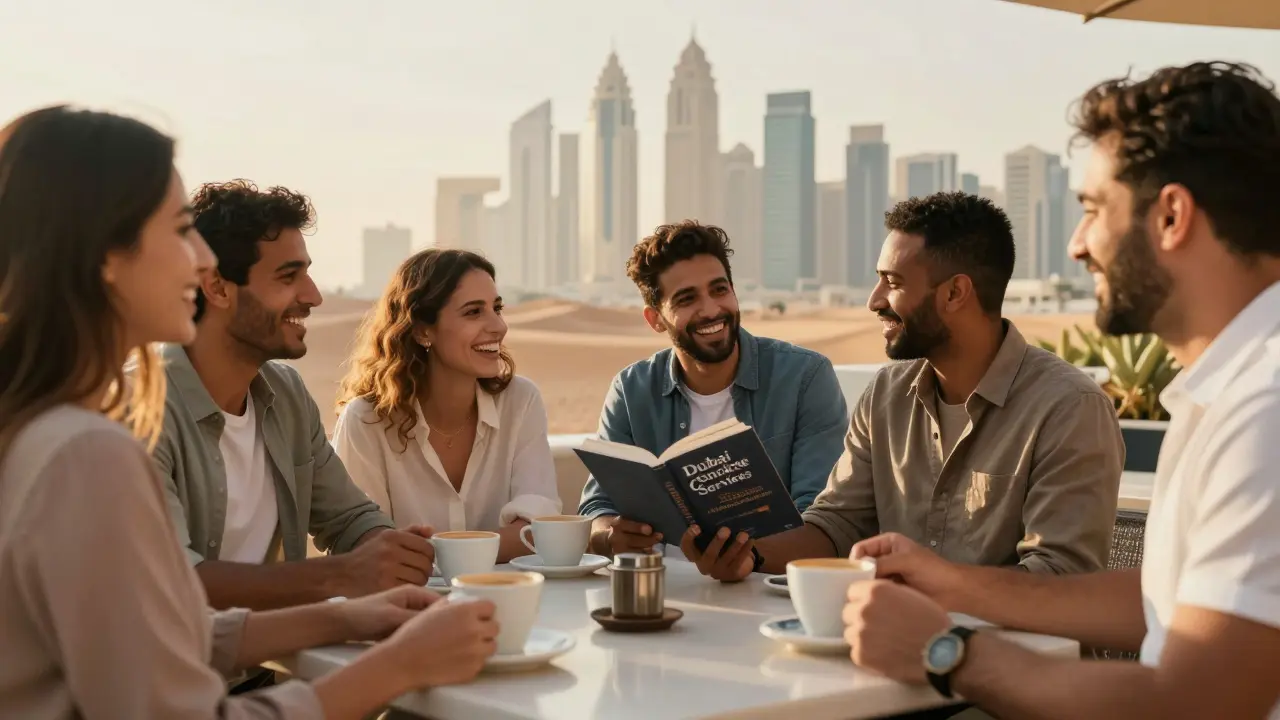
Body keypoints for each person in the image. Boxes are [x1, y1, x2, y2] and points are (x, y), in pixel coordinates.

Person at [0, 105, 498, 719]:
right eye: (180, 230)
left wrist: (348, 614)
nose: (201, 260)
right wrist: (401, 664)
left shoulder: (40, 429)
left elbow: (158, 628)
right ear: (107, 252)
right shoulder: (88, 450)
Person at [841, 62, 1280, 719]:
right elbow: (1163, 601)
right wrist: (952, 584)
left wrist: (944, 653)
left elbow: (1199, 701)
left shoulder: (1264, 409)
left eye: (1094, 210)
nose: (1077, 245)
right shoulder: (1230, 387)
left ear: (1171, 216)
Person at [682, 192, 1125, 582]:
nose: (874, 300)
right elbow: (836, 525)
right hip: (889, 649)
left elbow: (1061, 578)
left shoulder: (1069, 408)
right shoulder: (887, 394)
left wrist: (930, 586)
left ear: (955, 294)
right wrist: (750, 556)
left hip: (1015, 665)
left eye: (892, 283)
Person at [151, 179, 434, 612]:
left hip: (277, 664)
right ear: (218, 287)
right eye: (289, 276)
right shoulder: (141, 410)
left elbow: (347, 518)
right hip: (181, 676)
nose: (313, 296)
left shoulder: (286, 395)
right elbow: (172, 580)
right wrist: (340, 575)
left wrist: (392, 550)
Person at [578, 220, 849, 560]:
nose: (711, 310)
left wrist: (746, 558)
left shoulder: (805, 378)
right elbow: (596, 505)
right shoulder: (631, 390)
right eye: (687, 299)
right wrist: (607, 537)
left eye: (720, 290)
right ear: (655, 319)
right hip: (660, 586)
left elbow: (820, 515)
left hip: (766, 587)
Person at [333, 248, 562, 563]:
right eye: (473, 312)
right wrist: (496, 544)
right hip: (405, 607)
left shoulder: (520, 401)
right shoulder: (366, 421)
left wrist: (427, 552)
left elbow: (539, 530)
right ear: (422, 330)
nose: (499, 326)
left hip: (508, 599)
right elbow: (364, 549)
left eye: (497, 308)